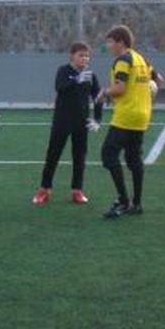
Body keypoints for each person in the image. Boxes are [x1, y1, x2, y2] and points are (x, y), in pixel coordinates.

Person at [94, 24, 164, 218]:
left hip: (126, 116)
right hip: (142, 116)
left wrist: (104, 93)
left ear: (120, 42)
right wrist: (147, 94)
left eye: (110, 42)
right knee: (134, 159)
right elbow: (159, 81)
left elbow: (120, 89)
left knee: (108, 155)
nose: (108, 46)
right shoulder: (142, 59)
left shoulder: (123, 60)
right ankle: (137, 203)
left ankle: (123, 201)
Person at [32, 41, 103, 207]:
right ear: (72, 56)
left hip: (81, 122)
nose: (84, 59)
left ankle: (77, 190)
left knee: (79, 156)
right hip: (62, 121)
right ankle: (44, 189)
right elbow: (60, 88)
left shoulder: (91, 75)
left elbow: (98, 97)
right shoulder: (63, 71)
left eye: (87, 56)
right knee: (53, 155)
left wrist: (97, 119)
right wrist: (76, 80)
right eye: (81, 55)